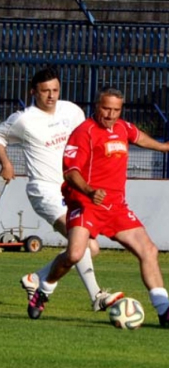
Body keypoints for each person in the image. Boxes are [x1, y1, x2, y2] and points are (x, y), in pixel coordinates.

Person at [27, 86, 169, 326]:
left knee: (148, 250)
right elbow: (70, 172)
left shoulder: (122, 127)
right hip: (86, 203)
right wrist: (89, 190)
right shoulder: (84, 132)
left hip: (115, 206)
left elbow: (138, 137)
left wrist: (164, 146)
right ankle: (43, 290)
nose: (110, 114)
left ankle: (164, 310)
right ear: (97, 106)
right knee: (75, 254)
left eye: (116, 110)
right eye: (106, 108)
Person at [0, 67, 124, 311]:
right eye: (45, 91)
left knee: (91, 247)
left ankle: (36, 279)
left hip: (73, 190)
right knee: (81, 243)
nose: (51, 95)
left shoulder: (71, 110)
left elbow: (87, 139)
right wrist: (6, 163)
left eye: (55, 90)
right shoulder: (23, 119)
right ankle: (96, 296)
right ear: (33, 91)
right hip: (45, 191)